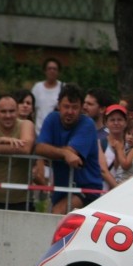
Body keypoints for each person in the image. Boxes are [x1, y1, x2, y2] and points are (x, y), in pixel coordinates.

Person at [34, 83, 103, 214]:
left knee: (57, 213)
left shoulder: (87, 124)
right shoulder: (52, 118)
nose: (70, 112)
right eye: (66, 107)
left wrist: (57, 152)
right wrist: (63, 152)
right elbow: (39, 148)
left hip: (86, 189)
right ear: (59, 105)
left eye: (75, 107)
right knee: (51, 219)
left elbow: (72, 152)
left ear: (82, 108)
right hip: (62, 188)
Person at [32, 57, 62, 134]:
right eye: (49, 68)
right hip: (38, 131)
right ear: (45, 71)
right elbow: (32, 110)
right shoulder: (37, 88)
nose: (52, 71)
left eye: (54, 69)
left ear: (58, 71)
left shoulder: (63, 88)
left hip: (56, 131)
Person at [101, 103, 129, 186]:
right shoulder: (100, 143)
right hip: (104, 192)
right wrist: (118, 190)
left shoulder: (131, 145)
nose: (116, 123)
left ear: (126, 122)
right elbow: (103, 171)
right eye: (112, 120)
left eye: (120, 119)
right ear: (106, 123)